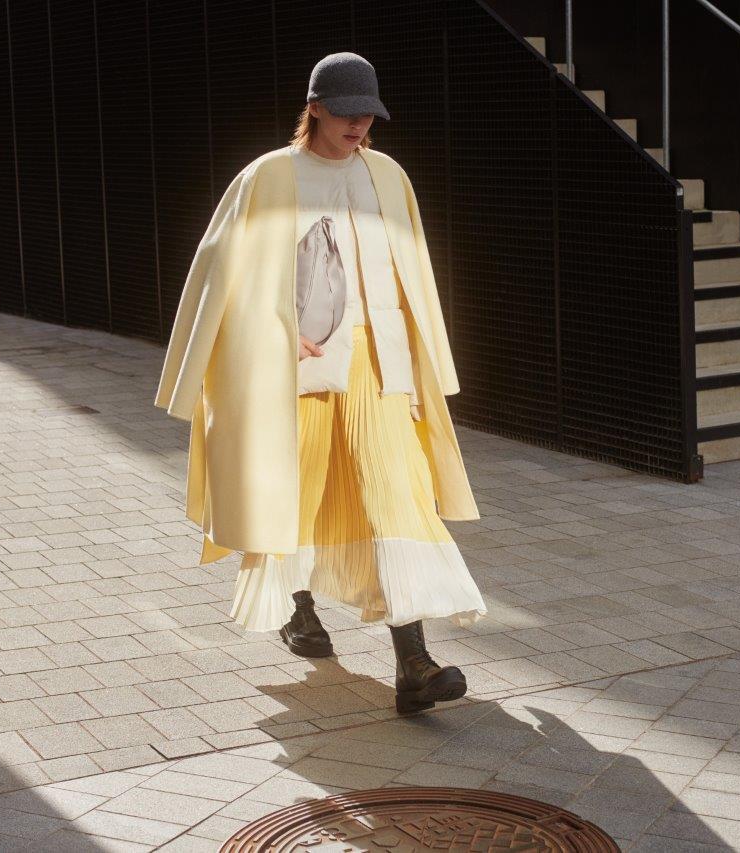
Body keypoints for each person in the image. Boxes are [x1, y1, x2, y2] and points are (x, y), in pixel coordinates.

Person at [155, 52, 486, 714]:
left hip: (377, 364)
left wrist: (419, 360)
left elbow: (411, 273)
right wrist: (274, 329)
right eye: (346, 113)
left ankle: (414, 664)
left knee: (396, 495)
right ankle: (297, 606)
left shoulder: (388, 176)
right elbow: (225, 274)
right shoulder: (269, 177)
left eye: (369, 114)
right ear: (314, 108)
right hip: (293, 369)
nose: (359, 125)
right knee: (296, 491)